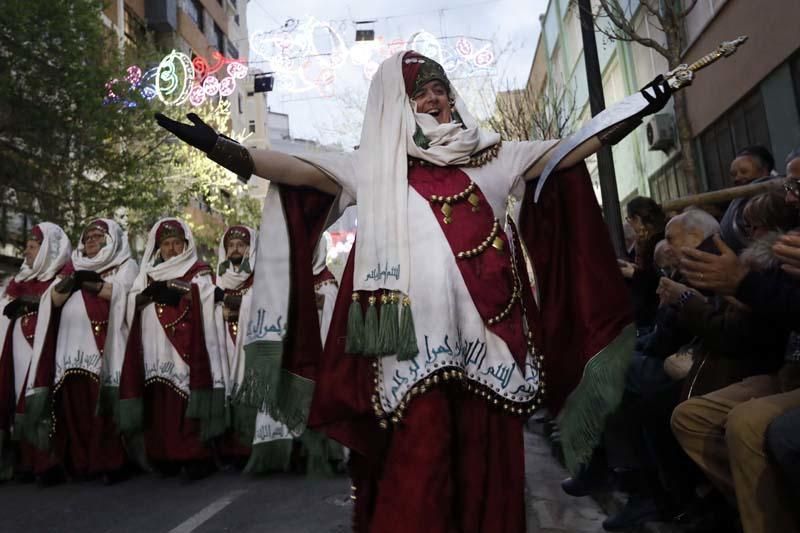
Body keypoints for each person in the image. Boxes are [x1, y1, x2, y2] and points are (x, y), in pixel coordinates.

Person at [156, 50, 673, 531]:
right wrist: (226, 150)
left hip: (489, 343)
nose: (432, 99)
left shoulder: (493, 153)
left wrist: (635, 109)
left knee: (488, 466)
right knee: (417, 466)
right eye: (418, 93)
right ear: (400, 106)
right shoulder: (375, 164)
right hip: (407, 355)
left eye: (439, 88)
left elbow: (565, 152)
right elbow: (297, 169)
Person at [23, 219, 138, 484]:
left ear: (111, 240)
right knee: (74, 409)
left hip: (105, 350)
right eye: (87, 238)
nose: (91, 241)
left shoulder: (124, 264)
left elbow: (123, 294)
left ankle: (111, 462)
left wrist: (93, 286)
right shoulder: (71, 267)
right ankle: (80, 462)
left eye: (98, 237)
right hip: (69, 352)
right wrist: (73, 280)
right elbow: (52, 299)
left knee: (104, 411)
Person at [118, 218, 226, 479]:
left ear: (186, 244)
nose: (171, 248)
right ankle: (163, 456)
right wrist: (148, 294)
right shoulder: (147, 273)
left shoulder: (197, 269)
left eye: (176, 243)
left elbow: (208, 295)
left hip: (185, 347)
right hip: (152, 347)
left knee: (184, 402)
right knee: (158, 402)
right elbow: (131, 300)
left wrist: (176, 287)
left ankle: (194, 456)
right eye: (166, 244)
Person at [0, 223, 71, 483]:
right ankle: (25, 461)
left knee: (41, 401)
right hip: (17, 347)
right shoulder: (19, 279)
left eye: (32, 247)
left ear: (47, 249)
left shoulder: (62, 276)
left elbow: (56, 302)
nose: (26, 252)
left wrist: (29, 303)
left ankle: (47, 463)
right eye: (27, 247)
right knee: (18, 399)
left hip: (44, 349)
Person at [216, 224, 257, 466]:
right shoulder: (219, 277)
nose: (235, 249)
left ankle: (250, 448)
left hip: (249, 339)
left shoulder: (259, 274)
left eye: (241, 245)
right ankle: (231, 450)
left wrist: (232, 303)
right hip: (224, 340)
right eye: (231, 245)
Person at [720, 145, 776, 253]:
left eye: (744, 171)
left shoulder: (777, 195)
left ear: (763, 172)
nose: (737, 178)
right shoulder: (739, 199)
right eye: (733, 174)